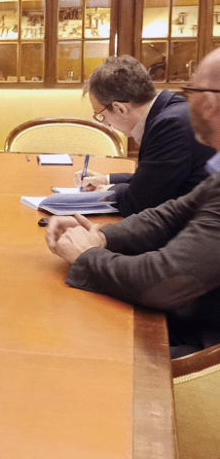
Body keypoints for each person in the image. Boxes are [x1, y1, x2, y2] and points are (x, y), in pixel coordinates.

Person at [47, 47, 220, 358]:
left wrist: (88, 256)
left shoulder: (172, 121)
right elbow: (169, 215)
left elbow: (164, 281)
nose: (186, 100)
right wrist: (100, 235)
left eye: (192, 90)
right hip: (197, 309)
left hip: (207, 345)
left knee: (77, 346)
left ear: (209, 102)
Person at [75, 55, 214, 216]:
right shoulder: (171, 111)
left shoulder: (170, 126)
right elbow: (152, 179)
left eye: (101, 115)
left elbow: (136, 204)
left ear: (120, 109)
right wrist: (106, 180)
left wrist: (107, 191)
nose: (105, 123)